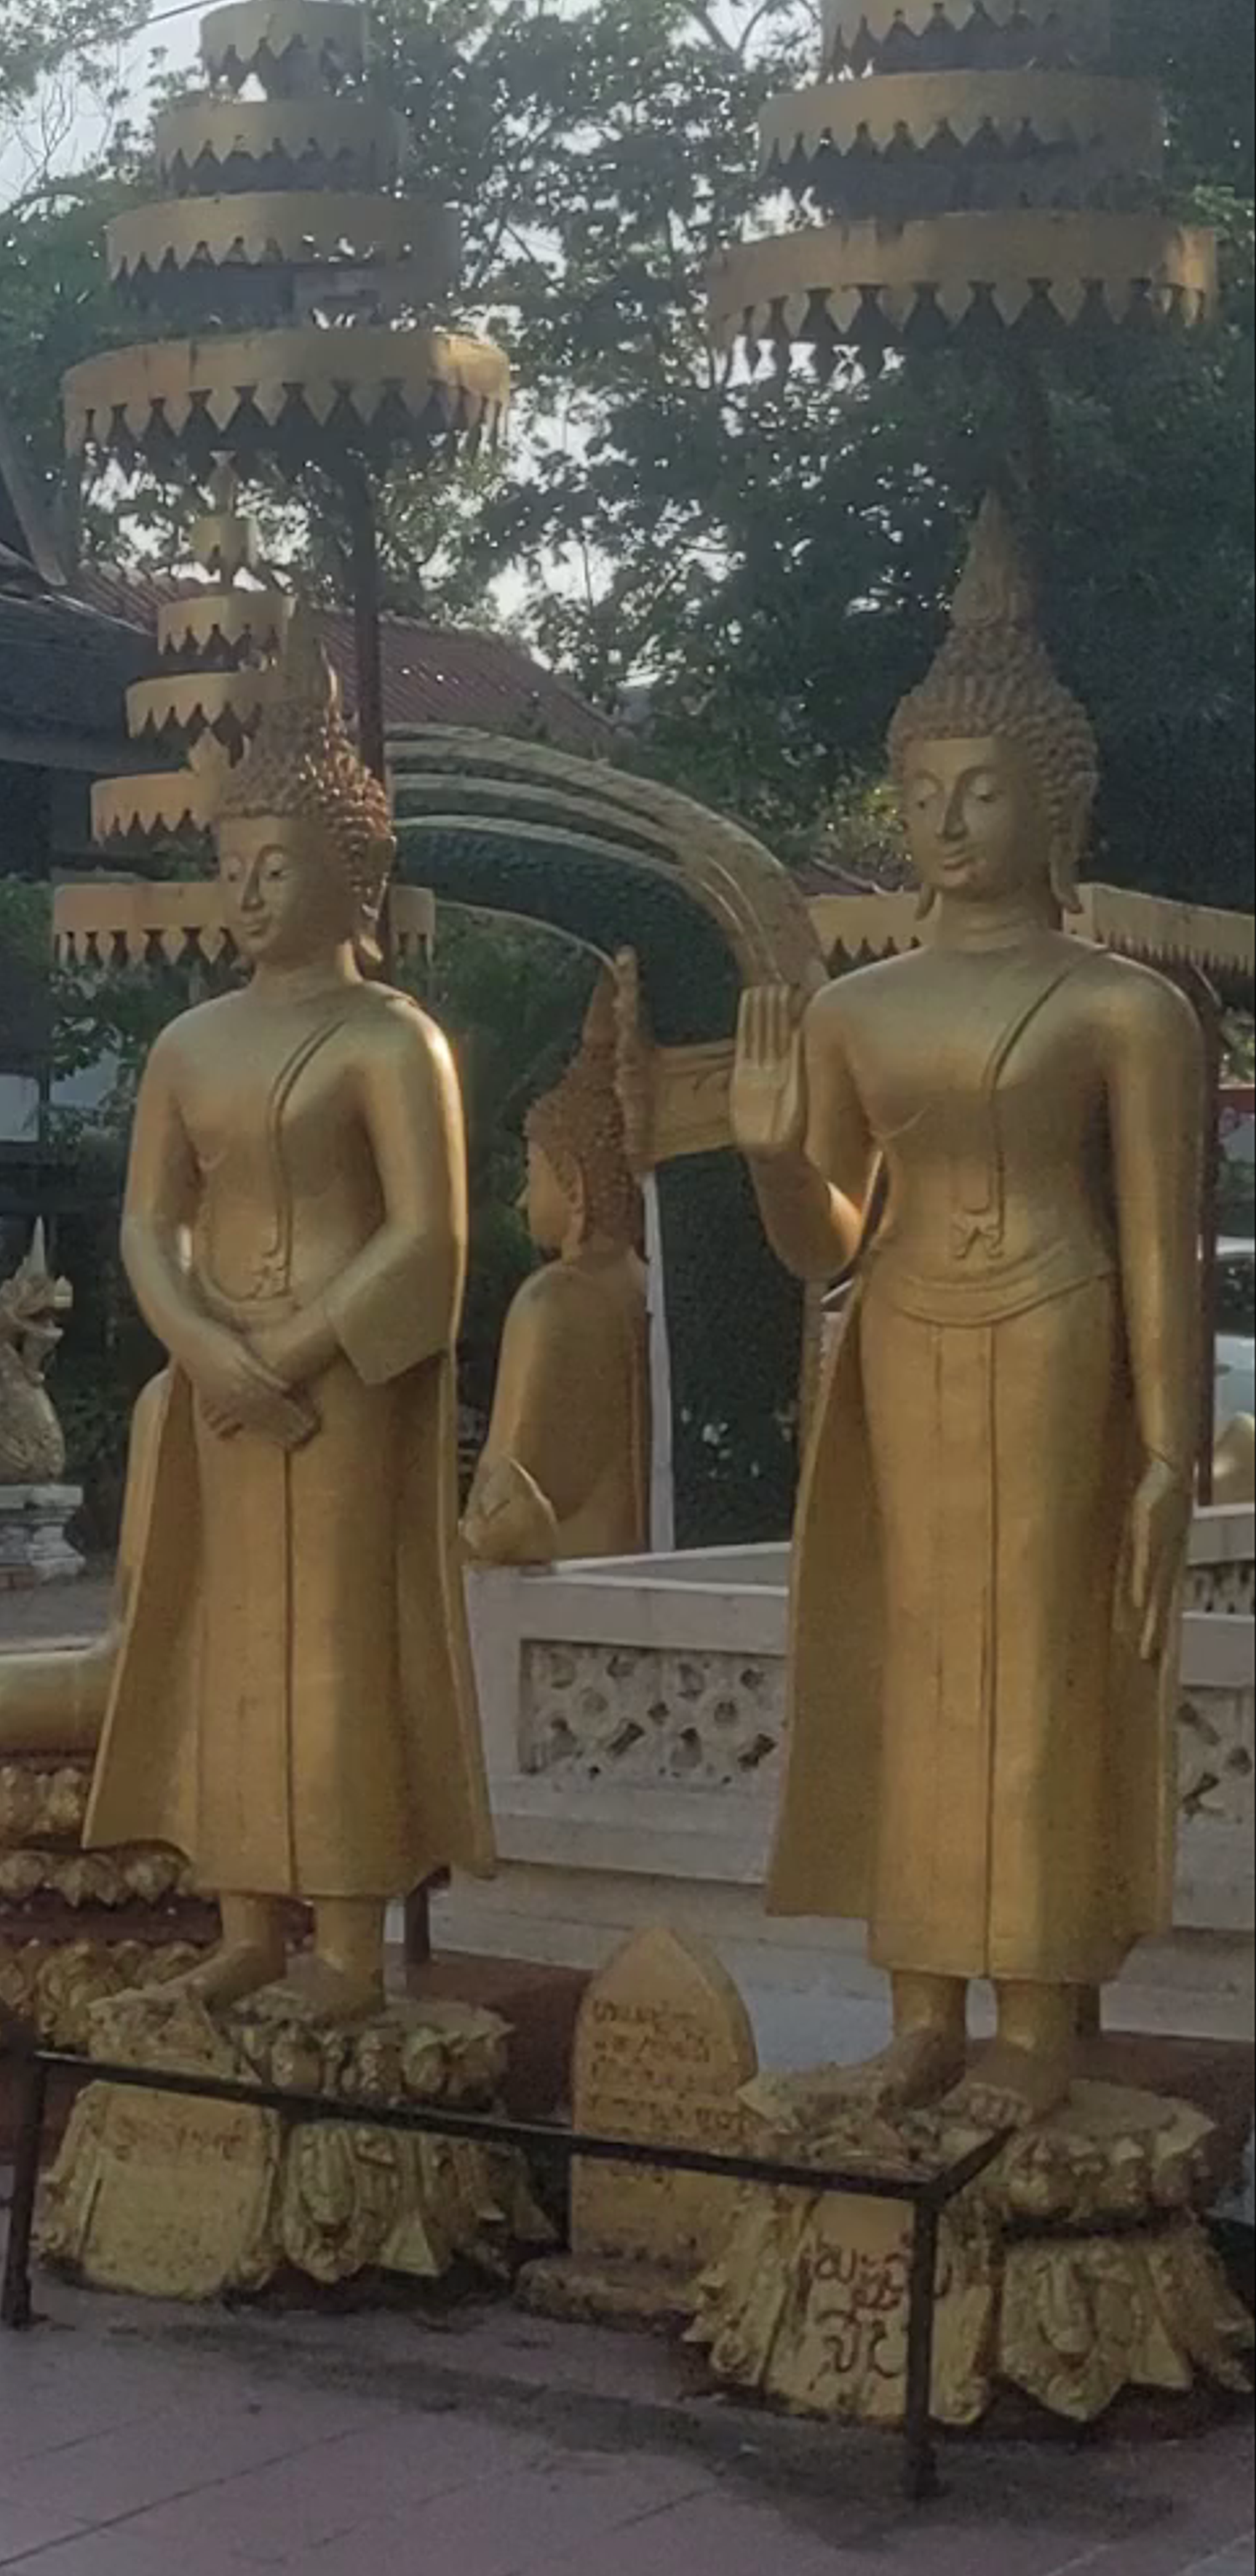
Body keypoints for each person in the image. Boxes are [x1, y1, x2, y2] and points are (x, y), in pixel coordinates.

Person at [731, 504, 1199, 2117]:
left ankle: (1041, 2018)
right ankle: (924, 1998)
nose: (948, 817)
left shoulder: (1123, 1007)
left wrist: (1174, 1448)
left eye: (983, 787)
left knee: (1043, 1659)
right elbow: (833, 1242)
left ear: (1056, 799)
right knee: (918, 1658)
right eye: (924, 789)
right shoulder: (857, 1006)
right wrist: (780, 1159)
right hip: (907, 1334)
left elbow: (1166, 1247)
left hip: (1066, 1329)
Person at [82, 610, 495, 2017]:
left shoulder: (393, 1039)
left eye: (279, 865)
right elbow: (149, 1221)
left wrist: (295, 1352)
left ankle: (347, 1942)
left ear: (353, 876)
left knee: (336, 1644)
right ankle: (246, 1916)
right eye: (233, 867)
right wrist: (204, 1347)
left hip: (342, 1379)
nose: (251, 891)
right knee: (224, 1636)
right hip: (223, 1379)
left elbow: (430, 1232)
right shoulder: (190, 1043)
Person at [463, 954, 653, 1567]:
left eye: (532, 1172)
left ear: (574, 1185)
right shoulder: (645, 1288)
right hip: (639, 1564)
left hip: (561, 1600)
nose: (521, 1196)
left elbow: (505, 1506)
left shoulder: (553, 1301)